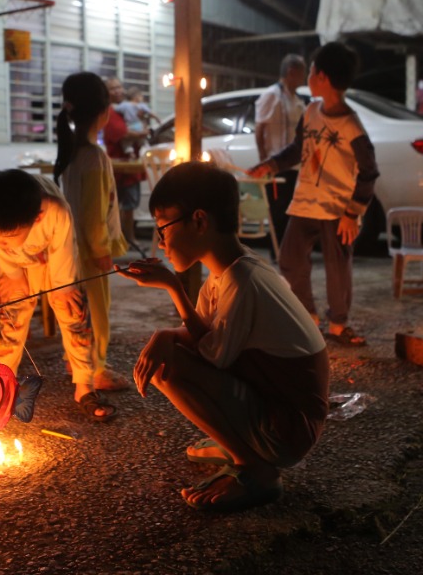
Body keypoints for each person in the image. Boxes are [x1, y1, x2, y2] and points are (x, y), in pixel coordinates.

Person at [118, 162, 330, 513]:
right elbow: (207, 336)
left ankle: (256, 469)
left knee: (166, 365)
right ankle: (238, 444)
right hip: (277, 409)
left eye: (163, 228)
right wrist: (168, 325)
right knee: (170, 350)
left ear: (199, 221)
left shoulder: (241, 281)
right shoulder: (232, 271)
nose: (160, 242)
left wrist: (172, 297)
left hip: (288, 429)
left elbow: (211, 357)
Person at [249, 42, 379, 347]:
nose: (308, 76)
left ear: (321, 76)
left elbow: (369, 171)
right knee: (291, 259)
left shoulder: (350, 124)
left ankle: (339, 323)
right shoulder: (310, 111)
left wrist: (353, 212)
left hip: (336, 208)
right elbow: (298, 149)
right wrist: (271, 164)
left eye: (310, 71)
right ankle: (307, 316)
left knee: (337, 266)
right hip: (305, 200)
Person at [0, 168, 117, 421]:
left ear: (37, 218)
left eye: (9, 236)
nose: (1, 241)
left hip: (55, 256)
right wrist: (14, 275)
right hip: (13, 263)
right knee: (8, 317)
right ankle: (0, 386)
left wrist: (64, 286)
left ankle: (84, 386)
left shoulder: (55, 211)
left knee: (73, 312)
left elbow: (63, 251)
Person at [53, 72, 130, 391]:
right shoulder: (94, 157)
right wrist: (102, 250)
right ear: (105, 112)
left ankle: (77, 359)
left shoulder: (71, 153)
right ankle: (95, 368)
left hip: (69, 250)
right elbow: (95, 213)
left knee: (77, 310)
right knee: (97, 313)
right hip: (89, 251)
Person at [254, 53, 307, 244]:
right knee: (278, 208)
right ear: (291, 72)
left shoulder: (296, 99)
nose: (304, 77)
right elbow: (259, 129)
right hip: (275, 163)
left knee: (290, 208)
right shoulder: (272, 95)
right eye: (302, 73)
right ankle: (277, 248)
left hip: (293, 163)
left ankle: (286, 247)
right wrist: (264, 160)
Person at [102, 76, 148, 254]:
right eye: (113, 89)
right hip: (120, 167)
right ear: (106, 93)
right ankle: (127, 240)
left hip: (129, 165)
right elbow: (122, 134)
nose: (118, 91)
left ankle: (125, 239)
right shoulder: (109, 112)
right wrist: (142, 132)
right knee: (124, 206)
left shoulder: (124, 109)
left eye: (119, 87)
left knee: (126, 205)